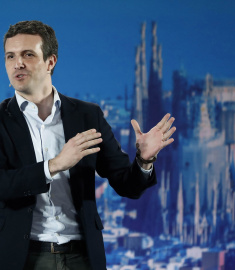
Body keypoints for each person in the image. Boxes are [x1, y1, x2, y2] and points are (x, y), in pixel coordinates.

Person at [0, 20, 176, 270]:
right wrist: (54, 166)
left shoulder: (86, 116)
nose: (18, 63)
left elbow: (127, 185)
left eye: (28, 54)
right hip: (23, 257)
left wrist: (144, 160)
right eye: (10, 56)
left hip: (81, 257)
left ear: (51, 62)